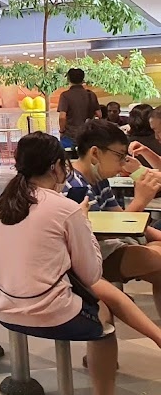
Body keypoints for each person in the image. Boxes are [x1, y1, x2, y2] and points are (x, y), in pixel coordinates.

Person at [0, 132, 161, 395]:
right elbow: (91, 273)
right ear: (56, 167)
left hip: (1, 308)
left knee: (105, 294)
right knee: (104, 314)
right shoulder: (65, 207)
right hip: (50, 313)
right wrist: (84, 224)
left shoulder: (0, 204)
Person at [65, 120, 161, 320]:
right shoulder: (76, 186)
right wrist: (140, 201)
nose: (123, 163)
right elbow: (104, 231)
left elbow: (119, 218)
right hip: (91, 258)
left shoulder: (99, 180)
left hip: (108, 248)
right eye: (119, 156)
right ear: (95, 153)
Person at [57, 68, 100, 148]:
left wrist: (62, 131)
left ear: (68, 79)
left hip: (70, 136)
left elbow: (62, 117)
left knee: (68, 155)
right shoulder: (91, 94)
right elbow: (99, 114)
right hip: (87, 135)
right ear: (83, 79)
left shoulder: (65, 95)